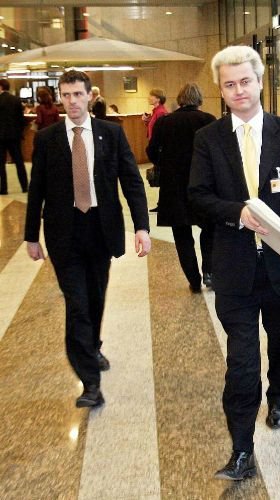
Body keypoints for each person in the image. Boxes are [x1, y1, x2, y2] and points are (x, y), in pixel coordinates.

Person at [188, 45, 280, 481]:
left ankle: (278, 396)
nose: (238, 90)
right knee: (242, 363)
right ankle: (241, 449)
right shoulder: (208, 139)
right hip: (235, 269)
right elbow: (198, 196)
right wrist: (236, 213)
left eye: (245, 81)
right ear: (220, 90)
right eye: (229, 84)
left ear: (260, 82)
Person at [24, 70, 151, 409]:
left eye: (77, 94)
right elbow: (36, 189)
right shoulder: (47, 138)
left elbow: (131, 181)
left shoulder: (111, 133)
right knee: (77, 304)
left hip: (100, 229)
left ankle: (92, 346)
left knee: (95, 298)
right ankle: (90, 381)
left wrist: (142, 226)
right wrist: (31, 236)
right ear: (60, 98)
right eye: (66, 95)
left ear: (89, 96)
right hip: (63, 233)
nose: (72, 101)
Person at [146, 83, 216, 292]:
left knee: (182, 234)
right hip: (203, 185)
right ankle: (209, 271)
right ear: (199, 99)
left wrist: (166, 163)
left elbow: (151, 151)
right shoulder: (208, 120)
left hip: (174, 186)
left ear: (180, 99)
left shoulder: (165, 122)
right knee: (210, 228)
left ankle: (193, 279)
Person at [0, 78, 28, 195]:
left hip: (0, 137)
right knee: (19, 161)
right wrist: (19, 132)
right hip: (14, 136)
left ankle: (4, 189)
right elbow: (21, 119)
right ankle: (25, 186)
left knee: (1, 164)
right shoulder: (16, 100)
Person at [142, 88, 168, 212]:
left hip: (159, 148)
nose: (149, 98)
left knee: (161, 176)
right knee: (160, 175)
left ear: (158, 98)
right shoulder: (156, 111)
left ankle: (163, 203)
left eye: (151, 96)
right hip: (155, 146)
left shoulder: (161, 112)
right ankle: (161, 203)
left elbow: (160, 130)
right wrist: (146, 122)